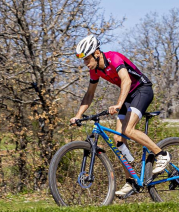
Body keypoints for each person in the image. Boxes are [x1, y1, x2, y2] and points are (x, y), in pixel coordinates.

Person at [70, 35, 171, 197]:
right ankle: (131, 182)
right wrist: (78, 115)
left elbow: (126, 81)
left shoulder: (114, 58)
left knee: (128, 130)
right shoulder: (95, 71)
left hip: (142, 90)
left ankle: (162, 155)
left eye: (87, 58)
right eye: (83, 60)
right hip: (130, 96)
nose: (85, 63)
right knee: (119, 140)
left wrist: (118, 104)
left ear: (96, 53)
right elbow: (89, 94)